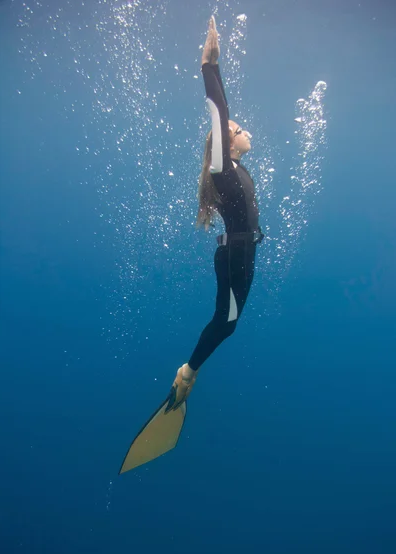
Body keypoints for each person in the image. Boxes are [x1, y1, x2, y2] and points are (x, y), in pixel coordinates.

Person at [165, 15, 264, 413]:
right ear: (228, 144)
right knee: (226, 323)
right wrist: (210, 66)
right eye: (239, 129)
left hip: (241, 254)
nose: (244, 130)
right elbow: (219, 113)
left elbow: (225, 118)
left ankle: (190, 369)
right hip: (235, 256)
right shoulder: (223, 171)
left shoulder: (235, 171)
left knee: (228, 323)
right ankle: (188, 372)